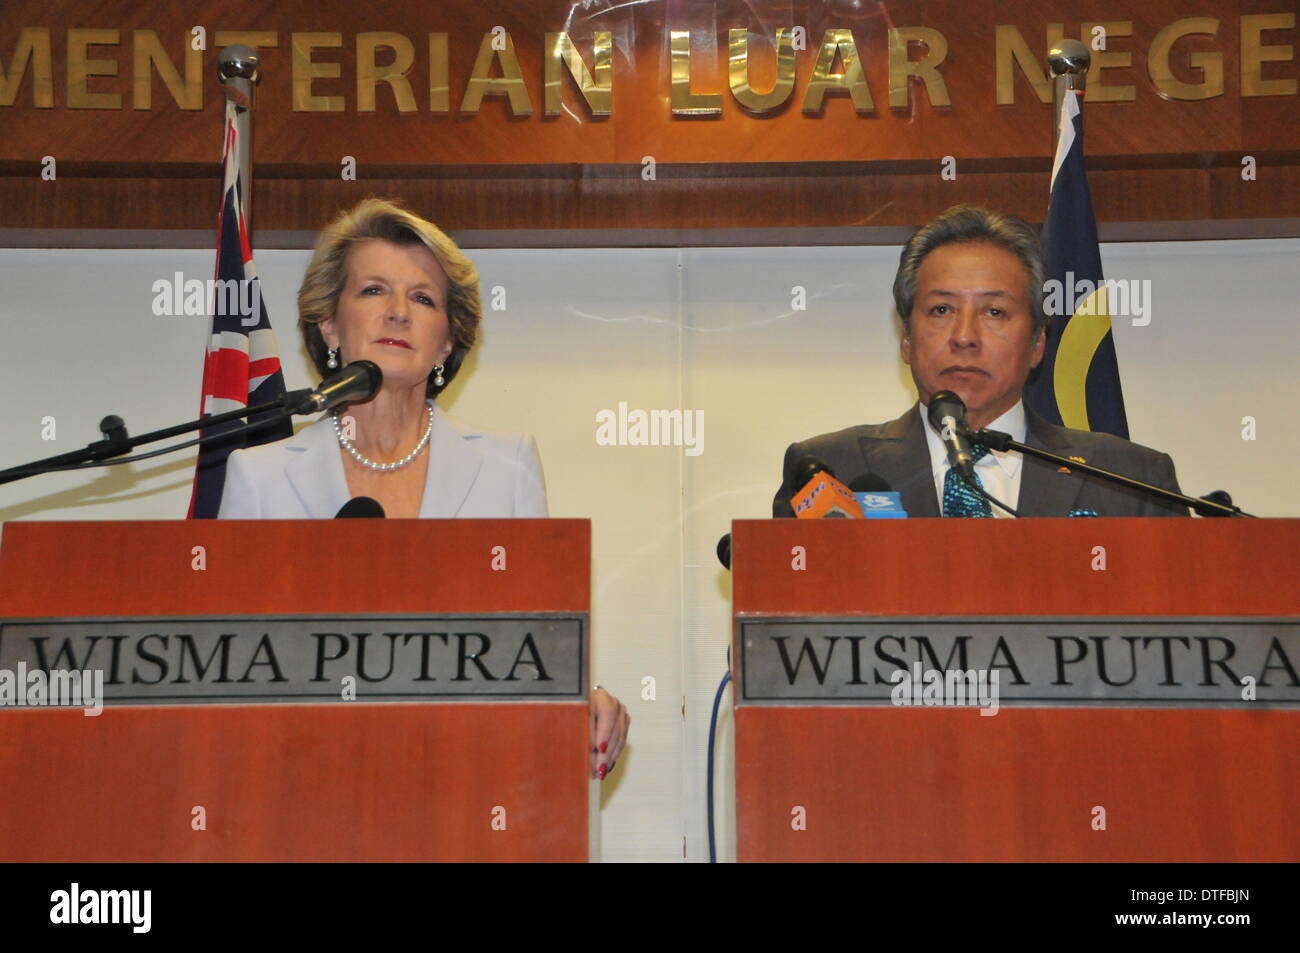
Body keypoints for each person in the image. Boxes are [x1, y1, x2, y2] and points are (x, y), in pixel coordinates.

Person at [219, 197, 628, 778]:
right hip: (302, 781)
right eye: (372, 291)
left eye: (422, 298)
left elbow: (541, 652)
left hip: (465, 784)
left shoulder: (507, 469)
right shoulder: (258, 477)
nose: (397, 313)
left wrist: (586, 701)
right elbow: (230, 667)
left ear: (446, 343)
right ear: (329, 325)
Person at [773, 205, 1189, 519]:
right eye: (941, 310)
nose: (965, 336)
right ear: (905, 337)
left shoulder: (1132, 482)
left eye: (994, 312)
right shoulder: (831, 469)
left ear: (1038, 342)